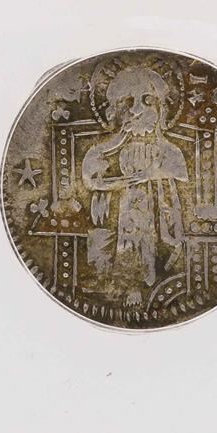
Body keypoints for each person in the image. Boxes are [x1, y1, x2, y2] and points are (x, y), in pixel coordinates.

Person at [82, 66, 187, 305]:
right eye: (127, 102)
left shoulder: (171, 152)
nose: (136, 110)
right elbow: (89, 179)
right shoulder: (106, 150)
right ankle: (123, 281)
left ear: (161, 110)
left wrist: (151, 176)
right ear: (113, 112)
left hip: (157, 221)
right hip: (115, 220)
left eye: (146, 101)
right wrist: (117, 145)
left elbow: (179, 178)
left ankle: (141, 280)